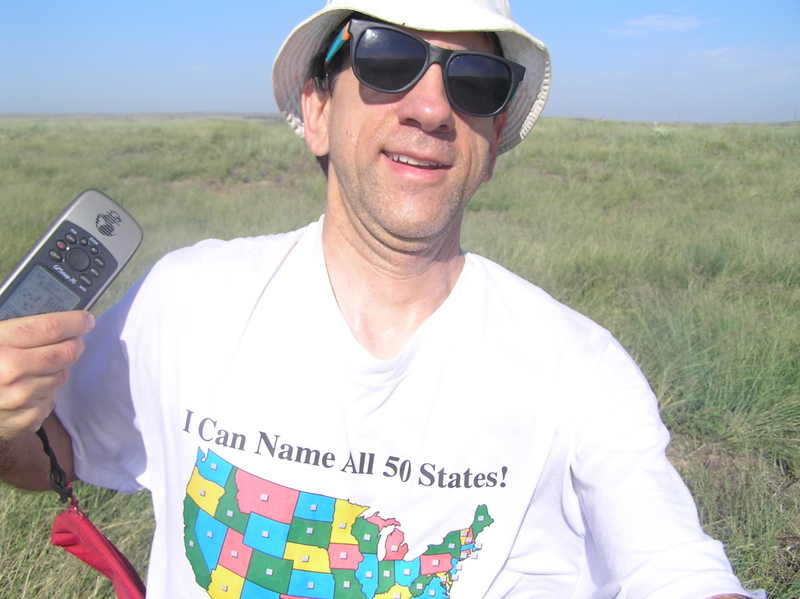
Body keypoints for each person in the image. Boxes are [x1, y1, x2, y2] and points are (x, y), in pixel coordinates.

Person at [0, 1, 761, 598]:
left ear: (493, 139)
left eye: (474, 82)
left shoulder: (579, 370)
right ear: (318, 109)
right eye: (388, 59)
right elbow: (60, 454)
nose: (432, 109)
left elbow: (675, 567)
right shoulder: (188, 299)